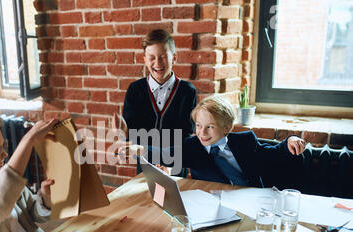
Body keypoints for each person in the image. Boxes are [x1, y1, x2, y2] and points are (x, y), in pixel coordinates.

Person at [133, 96, 306, 188]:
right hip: (214, 203)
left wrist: (289, 141)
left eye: (210, 127)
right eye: (199, 126)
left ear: (226, 127)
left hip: (251, 198)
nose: (202, 133)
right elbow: (165, 154)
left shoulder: (245, 142)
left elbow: (272, 153)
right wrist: (140, 149)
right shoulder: (192, 147)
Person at [121, 29, 197, 175]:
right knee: (145, 198)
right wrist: (123, 132)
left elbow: (185, 136)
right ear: (144, 59)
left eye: (163, 56)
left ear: (174, 57)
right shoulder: (135, 90)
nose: (158, 63)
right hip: (145, 166)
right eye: (152, 57)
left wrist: (170, 166)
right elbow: (132, 136)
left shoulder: (187, 91)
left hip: (174, 166)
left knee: (174, 198)